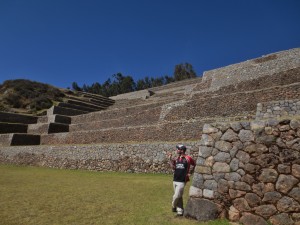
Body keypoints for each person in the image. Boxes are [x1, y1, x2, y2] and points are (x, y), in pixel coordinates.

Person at [167, 144, 195, 216]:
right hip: (175, 179)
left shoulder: (188, 158)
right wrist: (170, 159)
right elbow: (173, 167)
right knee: (179, 196)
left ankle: (173, 206)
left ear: (182, 150)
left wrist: (190, 173)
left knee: (176, 196)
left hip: (182, 180)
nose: (177, 150)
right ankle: (180, 211)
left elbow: (194, 164)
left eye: (178, 149)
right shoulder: (176, 159)